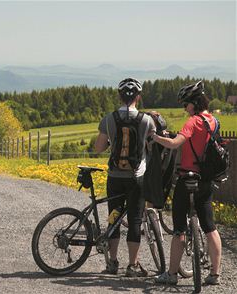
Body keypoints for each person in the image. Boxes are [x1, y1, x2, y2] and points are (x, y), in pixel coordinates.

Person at [154, 81, 222, 285]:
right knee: (210, 227)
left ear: (194, 103)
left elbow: (176, 144)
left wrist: (156, 137)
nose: (185, 108)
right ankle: (215, 275)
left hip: (187, 180)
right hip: (206, 180)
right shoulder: (213, 121)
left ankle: (172, 274)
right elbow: (198, 142)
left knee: (179, 229)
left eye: (186, 104)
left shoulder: (192, 121)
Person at [94, 78, 156, 277]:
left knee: (114, 218)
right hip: (136, 178)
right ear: (138, 97)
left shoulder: (109, 119)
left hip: (114, 177)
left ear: (119, 96)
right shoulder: (147, 121)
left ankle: (112, 263)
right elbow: (152, 145)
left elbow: (98, 148)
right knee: (135, 220)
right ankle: (132, 265)